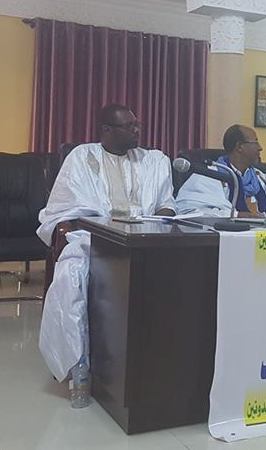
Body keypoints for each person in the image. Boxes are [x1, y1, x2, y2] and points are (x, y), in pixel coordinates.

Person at [38, 104, 176, 382]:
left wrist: (158, 219)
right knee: (71, 273)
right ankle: (77, 362)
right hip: (95, 238)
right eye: (130, 126)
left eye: (137, 125)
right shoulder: (82, 157)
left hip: (146, 238)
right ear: (106, 130)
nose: (137, 130)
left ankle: (161, 353)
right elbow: (63, 207)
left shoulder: (154, 160)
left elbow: (167, 205)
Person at [176, 125, 266, 218]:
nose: (260, 148)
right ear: (239, 146)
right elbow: (189, 211)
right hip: (224, 236)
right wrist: (236, 215)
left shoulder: (262, 178)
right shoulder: (209, 176)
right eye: (255, 142)